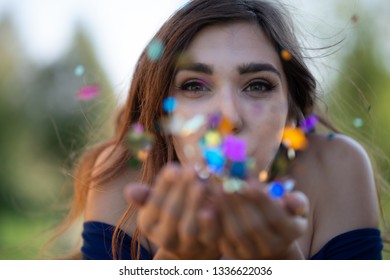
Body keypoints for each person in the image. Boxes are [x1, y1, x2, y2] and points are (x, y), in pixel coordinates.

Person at [63, 0, 384, 260]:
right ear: (162, 114)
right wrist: (179, 262)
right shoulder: (122, 175)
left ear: (291, 113)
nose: (228, 117)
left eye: (258, 85)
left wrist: (280, 261)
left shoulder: (338, 168)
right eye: (194, 86)